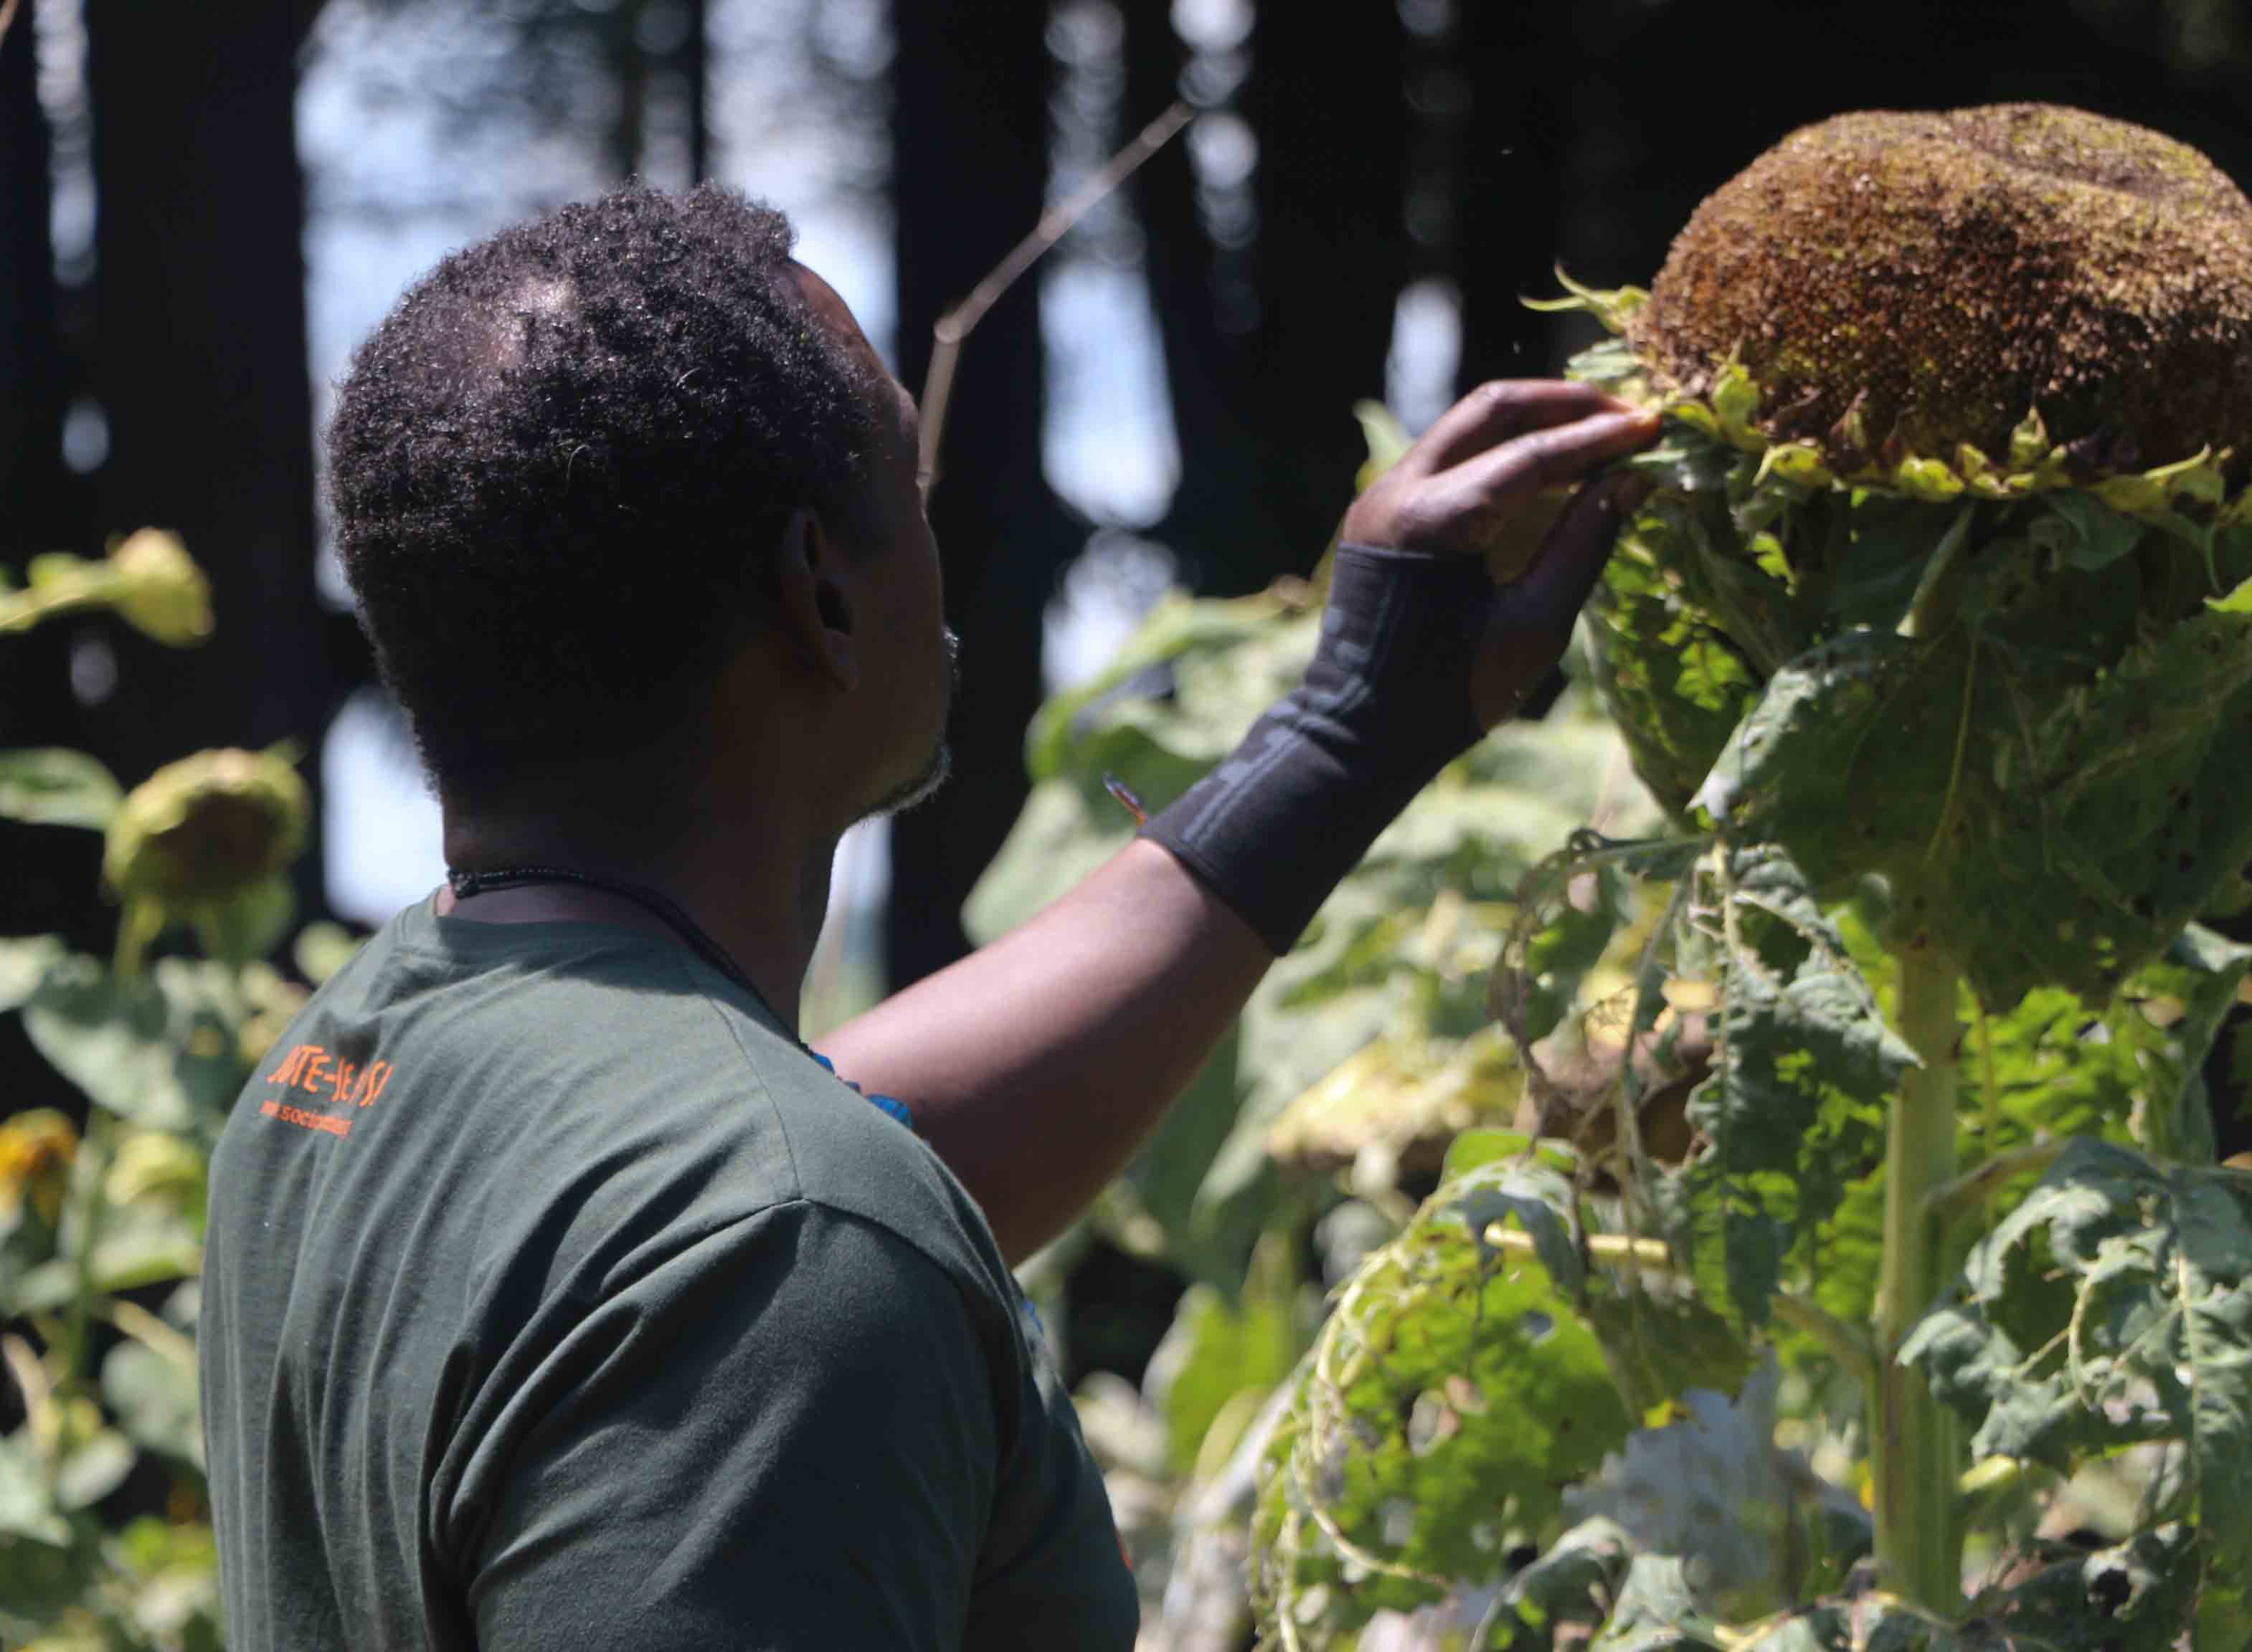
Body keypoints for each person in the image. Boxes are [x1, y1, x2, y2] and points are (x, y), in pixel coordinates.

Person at [199, 184, 1659, 1651]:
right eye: (906, 475)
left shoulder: (340, 1070)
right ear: (821, 600)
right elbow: (786, 1221)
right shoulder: (775, 1253)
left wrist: (1353, 732)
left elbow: (842, 1155)